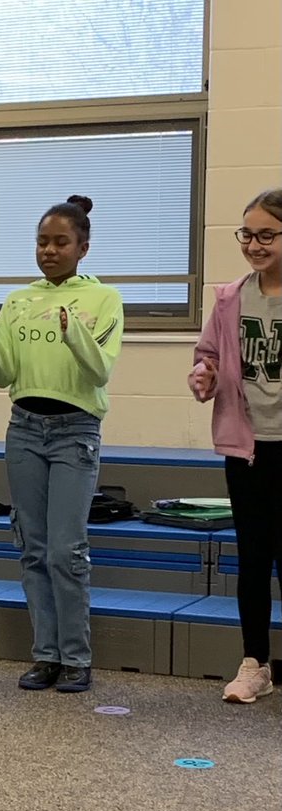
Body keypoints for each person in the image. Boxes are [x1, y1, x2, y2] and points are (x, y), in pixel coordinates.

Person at [0, 195, 124, 694]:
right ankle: (45, 655)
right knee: (33, 547)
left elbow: (99, 370)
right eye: (42, 242)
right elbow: (5, 373)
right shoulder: (18, 301)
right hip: (25, 429)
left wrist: (74, 334)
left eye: (60, 242)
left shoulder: (104, 299)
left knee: (67, 551)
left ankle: (76, 659)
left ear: (83, 248)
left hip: (75, 433)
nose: (49, 251)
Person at [189, 188, 282, 703]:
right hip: (248, 447)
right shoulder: (229, 298)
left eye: (267, 235)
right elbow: (207, 355)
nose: (254, 245)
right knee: (253, 557)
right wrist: (203, 375)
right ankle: (255, 664)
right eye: (247, 234)